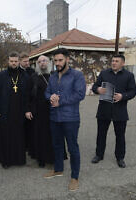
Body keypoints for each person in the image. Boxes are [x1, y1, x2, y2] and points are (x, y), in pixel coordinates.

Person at [44, 48, 86, 191]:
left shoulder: (77, 75)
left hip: (70, 118)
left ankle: (75, 177)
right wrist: (50, 97)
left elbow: (80, 94)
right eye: (55, 60)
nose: (57, 63)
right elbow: (47, 91)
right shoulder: (52, 76)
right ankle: (58, 169)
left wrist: (60, 101)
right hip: (54, 117)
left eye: (60, 60)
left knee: (72, 147)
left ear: (67, 59)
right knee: (57, 145)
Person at [91, 54, 136, 168]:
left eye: (117, 61)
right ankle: (99, 155)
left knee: (120, 136)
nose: (113, 63)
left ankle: (120, 158)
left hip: (120, 110)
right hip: (104, 110)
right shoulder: (104, 73)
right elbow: (94, 86)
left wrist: (123, 96)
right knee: (101, 134)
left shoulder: (129, 76)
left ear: (123, 63)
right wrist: (98, 89)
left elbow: (133, 91)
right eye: (112, 61)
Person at [0, 52, 29, 169]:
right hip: (5, 111)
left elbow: (28, 95)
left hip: (19, 111)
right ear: (8, 62)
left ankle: (18, 159)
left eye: (15, 61)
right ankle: (6, 160)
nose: (14, 63)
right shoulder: (1, 75)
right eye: (11, 61)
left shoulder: (24, 75)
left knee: (19, 136)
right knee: (5, 136)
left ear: (19, 61)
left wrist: (27, 110)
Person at [25, 55, 55, 167]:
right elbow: (27, 95)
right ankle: (41, 159)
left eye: (44, 61)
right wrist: (27, 110)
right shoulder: (33, 77)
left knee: (51, 135)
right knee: (39, 135)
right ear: (37, 64)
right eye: (40, 62)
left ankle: (51, 157)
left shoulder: (54, 76)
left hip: (51, 110)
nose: (42, 63)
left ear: (48, 62)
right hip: (37, 110)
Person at [18, 52, 35, 154]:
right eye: (24, 61)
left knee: (30, 126)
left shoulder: (31, 71)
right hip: (20, 102)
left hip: (30, 102)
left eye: (28, 61)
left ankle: (29, 145)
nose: (27, 63)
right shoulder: (17, 72)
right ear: (20, 61)